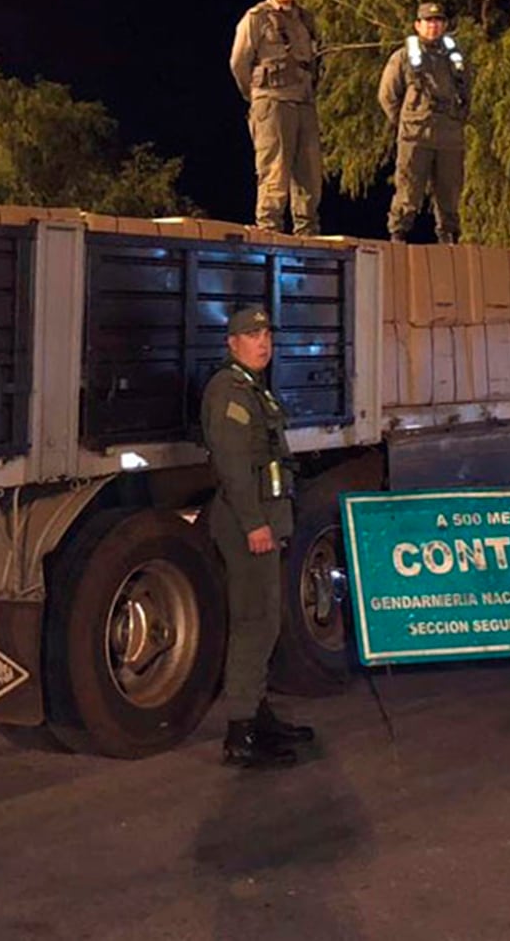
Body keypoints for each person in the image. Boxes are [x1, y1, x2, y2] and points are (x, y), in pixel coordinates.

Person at [200, 303, 316, 768]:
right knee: (254, 623)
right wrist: (254, 524)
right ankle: (240, 733)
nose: (263, 342)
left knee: (266, 620)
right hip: (249, 524)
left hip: (265, 520)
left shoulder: (253, 389)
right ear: (232, 343)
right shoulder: (229, 391)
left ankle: (258, 714)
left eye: (267, 334)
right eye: (252, 335)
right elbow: (232, 466)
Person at [230, 0, 322, 235]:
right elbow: (239, 63)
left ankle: (307, 233)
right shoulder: (256, 18)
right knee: (274, 172)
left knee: (310, 174)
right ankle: (269, 232)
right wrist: (258, 97)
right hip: (272, 102)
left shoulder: (306, 19)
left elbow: (316, 63)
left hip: (303, 102)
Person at [377, 0, 468, 244]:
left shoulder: (454, 58)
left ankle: (448, 236)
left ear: (445, 25)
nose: (433, 26)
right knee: (409, 189)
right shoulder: (404, 56)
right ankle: (399, 234)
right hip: (416, 134)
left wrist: (458, 118)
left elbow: (466, 92)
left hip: (449, 134)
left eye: (438, 21)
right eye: (428, 21)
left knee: (450, 191)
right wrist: (404, 122)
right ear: (418, 25)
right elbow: (387, 95)